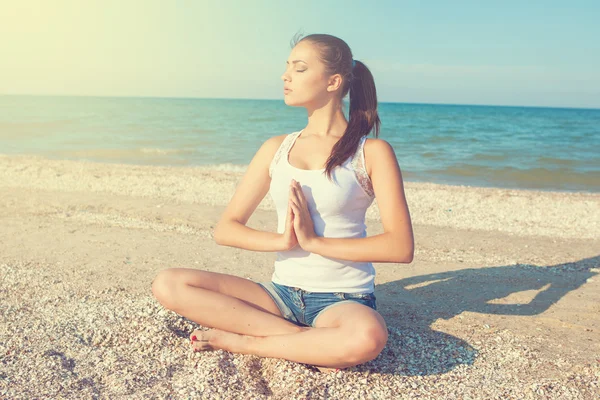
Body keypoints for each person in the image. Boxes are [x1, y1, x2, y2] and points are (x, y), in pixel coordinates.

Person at [151, 33, 414, 373]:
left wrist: (315, 242)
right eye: (287, 67)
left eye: (299, 68)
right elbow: (226, 229)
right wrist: (283, 241)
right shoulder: (275, 148)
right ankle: (304, 342)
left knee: (367, 337)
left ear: (333, 81)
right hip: (279, 296)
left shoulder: (372, 153)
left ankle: (249, 342)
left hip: (342, 301)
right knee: (169, 284)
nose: (285, 76)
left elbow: (400, 247)